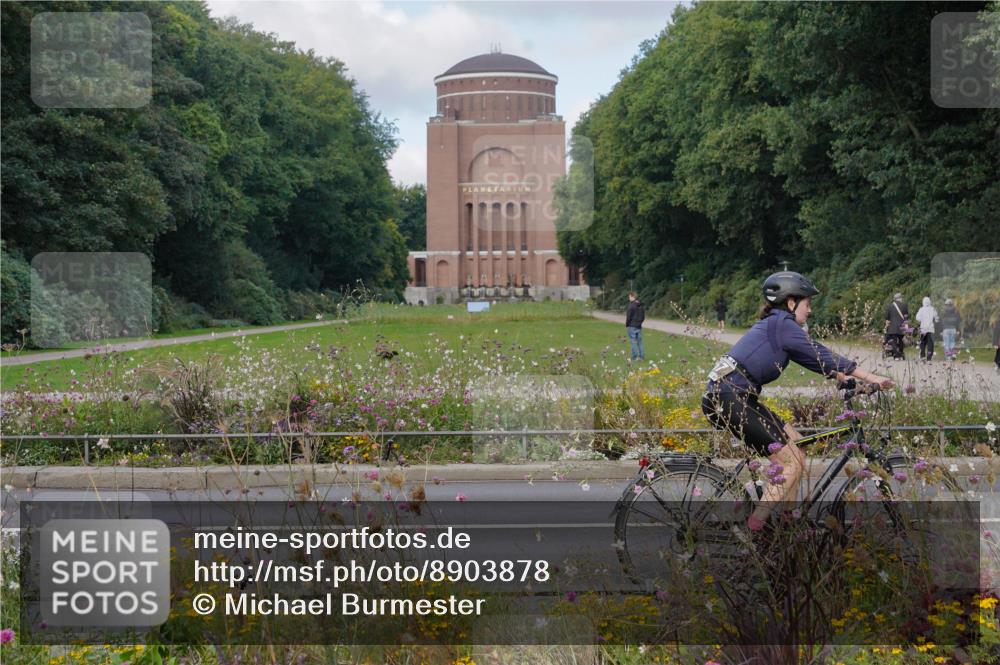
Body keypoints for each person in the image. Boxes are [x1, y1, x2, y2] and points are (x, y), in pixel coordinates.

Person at [701, 271, 893, 533]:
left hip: (733, 396)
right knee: (790, 461)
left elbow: (812, 359)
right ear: (791, 302)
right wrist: (873, 377)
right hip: (730, 398)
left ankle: (786, 525)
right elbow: (819, 352)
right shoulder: (782, 324)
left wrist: (845, 379)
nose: (810, 310)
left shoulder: (777, 325)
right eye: (807, 303)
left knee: (798, 449)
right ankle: (753, 528)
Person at [884, 293, 909, 360]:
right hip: (902, 326)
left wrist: (887, 326)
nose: (902, 299)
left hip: (893, 327)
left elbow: (887, 318)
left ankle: (896, 356)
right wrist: (906, 326)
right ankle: (900, 353)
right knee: (901, 340)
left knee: (893, 341)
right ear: (899, 298)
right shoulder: (904, 306)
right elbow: (906, 317)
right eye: (901, 298)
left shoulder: (890, 306)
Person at [915, 297, 939, 361]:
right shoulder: (932, 309)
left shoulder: (921, 309)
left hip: (923, 328)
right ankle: (929, 358)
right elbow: (936, 318)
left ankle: (922, 355)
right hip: (930, 328)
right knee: (930, 343)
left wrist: (922, 320)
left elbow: (917, 318)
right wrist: (935, 321)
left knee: (923, 342)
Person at [625, 291, 645, 361]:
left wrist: (627, 324)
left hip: (632, 326)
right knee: (639, 342)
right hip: (638, 326)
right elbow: (643, 317)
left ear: (632, 296)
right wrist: (640, 323)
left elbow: (628, 316)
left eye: (629, 297)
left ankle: (634, 357)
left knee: (633, 341)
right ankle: (641, 356)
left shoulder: (631, 305)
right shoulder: (641, 305)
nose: (629, 298)